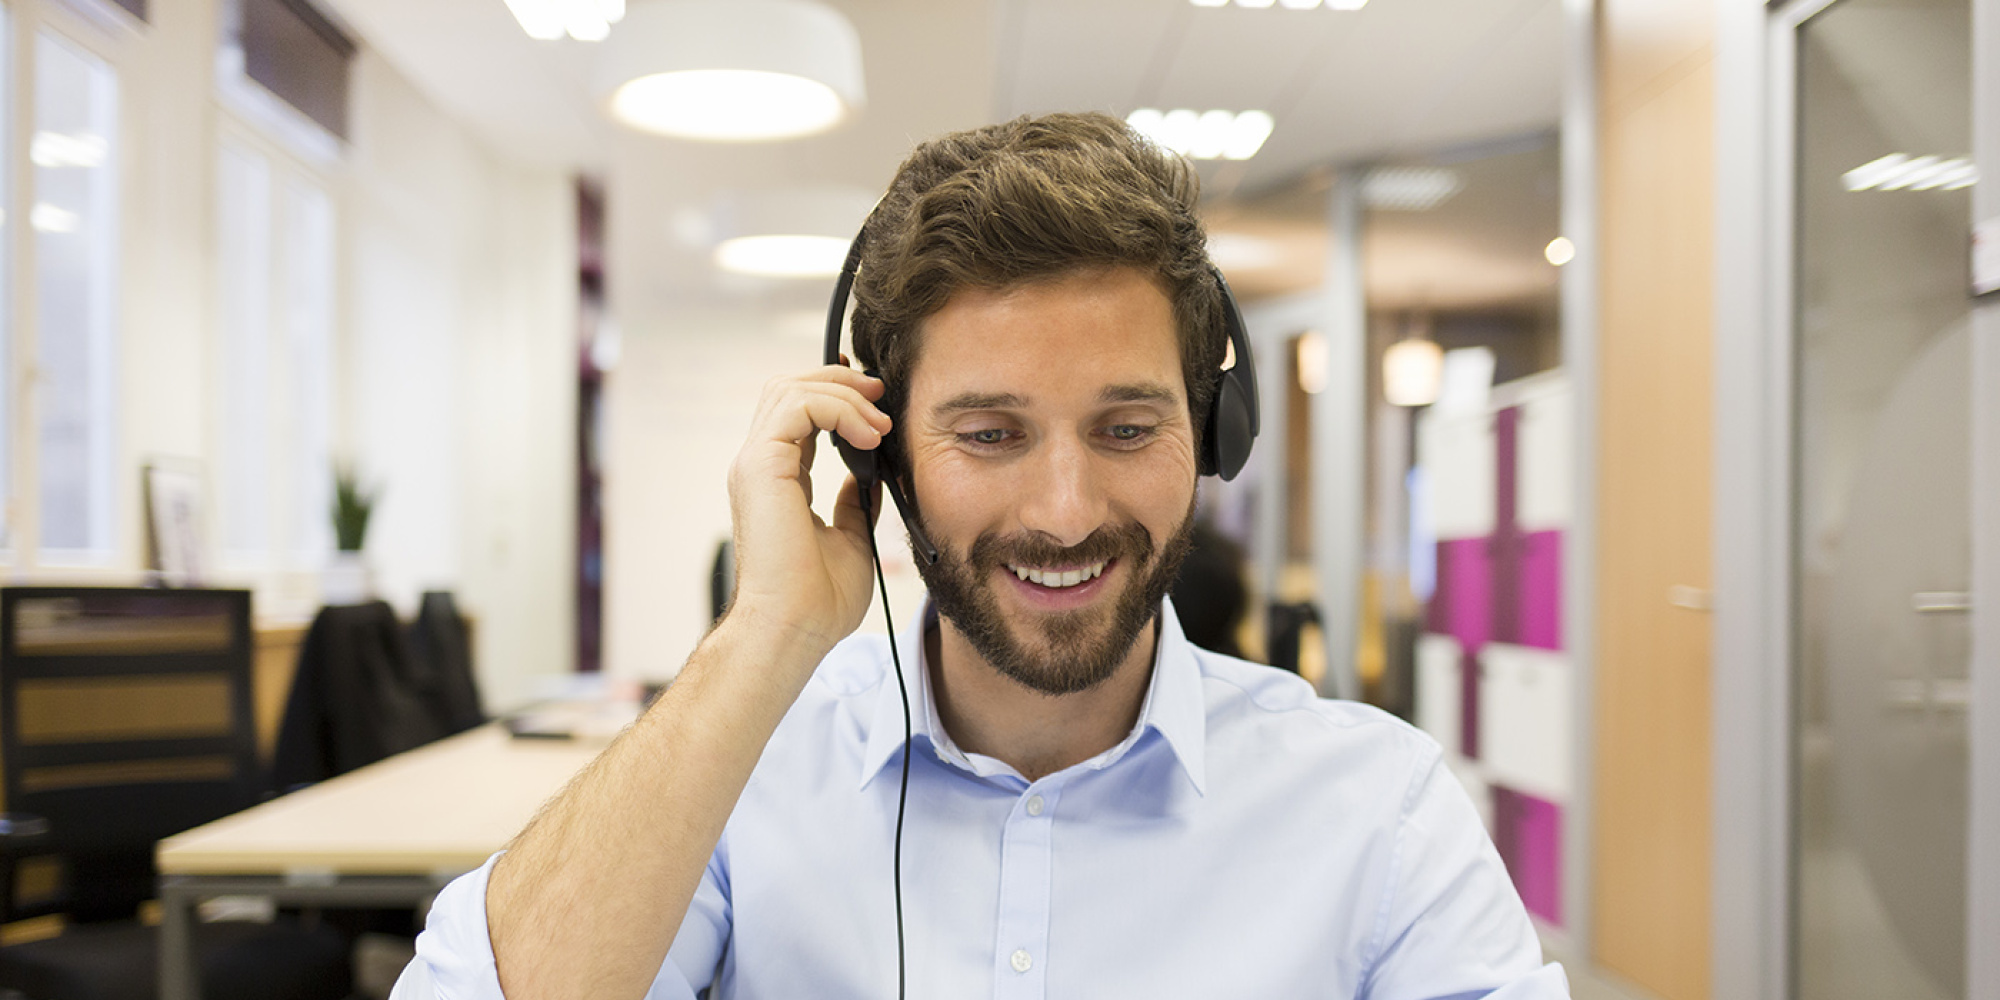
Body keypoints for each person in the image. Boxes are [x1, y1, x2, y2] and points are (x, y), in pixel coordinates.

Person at [396, 113, 1568, 999]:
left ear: (1211, 436)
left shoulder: (1378, 810)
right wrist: (762, 635)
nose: (1063, 512)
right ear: (882, 457)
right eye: (989, 433)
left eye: (1124, 428)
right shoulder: (740, 784)